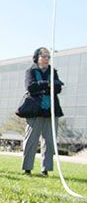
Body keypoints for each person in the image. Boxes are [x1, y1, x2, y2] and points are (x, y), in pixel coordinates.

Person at [21, 47, 64, 176]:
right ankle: (27, 168)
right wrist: (48, 85)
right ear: (37, 57)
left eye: (48, 57)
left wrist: (43, 85)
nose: (46, 59)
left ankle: (46, 169)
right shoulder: (31, 71)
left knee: (49, 141)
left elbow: (58, 88)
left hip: (51, 110)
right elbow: (31, 87)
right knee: (31, 140)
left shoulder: (53, 72)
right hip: (35, 110)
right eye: (43, 56)